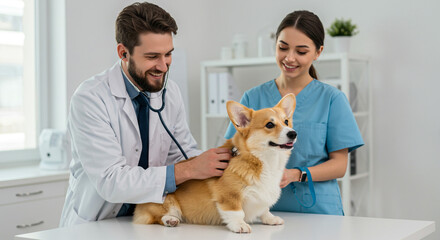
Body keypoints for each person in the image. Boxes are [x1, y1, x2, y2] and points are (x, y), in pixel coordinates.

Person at [59, 2, 231, 227]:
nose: (164, 66)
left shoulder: (169, 93)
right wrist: (189, 168)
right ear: (123, 52)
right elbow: (111, 181)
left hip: (149, 219)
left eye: (168, 54)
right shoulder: (90, 98)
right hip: (98, 223)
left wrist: (222, 166)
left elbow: (182, 153)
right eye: (152, 56)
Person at [224, 10, 364, 215]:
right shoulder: (252, 99)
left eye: (301, 51)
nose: (289, 58)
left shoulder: (332, 99)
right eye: (283, 48)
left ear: (318, 52)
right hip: (261, 211)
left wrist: (296, 174)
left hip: (318, 212)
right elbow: (231, 152)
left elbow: (340, 165)